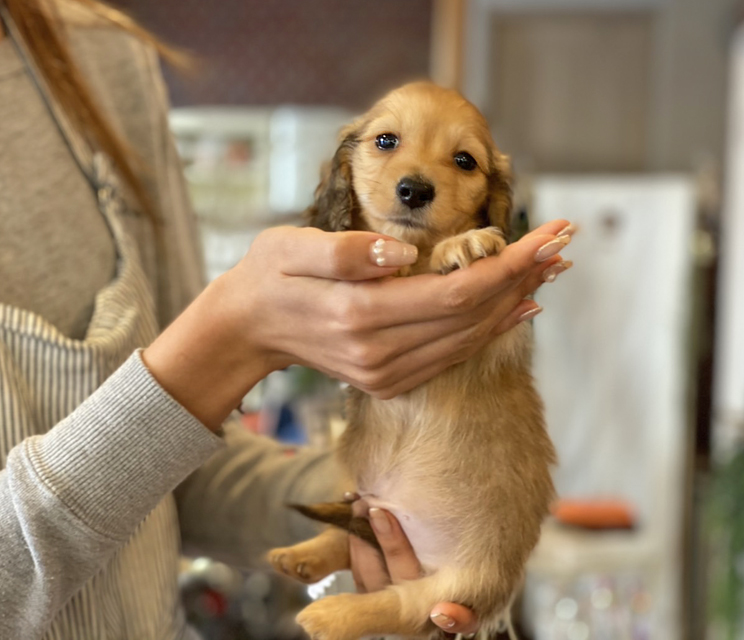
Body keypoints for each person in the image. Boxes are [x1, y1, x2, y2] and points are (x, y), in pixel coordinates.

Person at [0, 0, 572, 638]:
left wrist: (406, 513)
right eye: (387, 143)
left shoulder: (99, 55)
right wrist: (233, 337)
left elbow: (183, 473)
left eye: (461, 161)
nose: (416, 177)